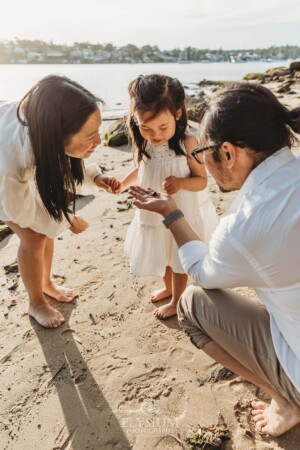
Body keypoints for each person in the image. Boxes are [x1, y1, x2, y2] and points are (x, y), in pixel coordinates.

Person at [128, 82, 300, 436]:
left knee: (191, 305)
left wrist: (171, 215)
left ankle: (284, 398)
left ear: (227, 152)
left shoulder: (246, 226)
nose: (201, 158)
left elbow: (202, 272)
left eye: (204, 150)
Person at [0, 75, 119, 328]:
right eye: (90, 136)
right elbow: (21, 212)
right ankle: (35, 302)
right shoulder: (13, 161)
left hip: (19, 168)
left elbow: (61, 163)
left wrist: (95, 177)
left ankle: (45, 282)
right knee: (34, 237)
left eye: (98, 132)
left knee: (46, 232)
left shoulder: (45, 127)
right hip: (3, 184)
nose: (98, 142)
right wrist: (66, 219)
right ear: (57, 135)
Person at [112, 74, 218, 319]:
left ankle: (177, 300)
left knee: (179, 254)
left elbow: (202, 181)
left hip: (183, 211)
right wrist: (121, 185)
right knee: (162, 250)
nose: (155, 135)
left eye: (162, 127)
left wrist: (181, 183)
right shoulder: (144, 142)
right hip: (155, 211)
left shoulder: (188, 142)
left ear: (178, 114)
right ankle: (169, 288)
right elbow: (141, 169)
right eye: (146, 127)